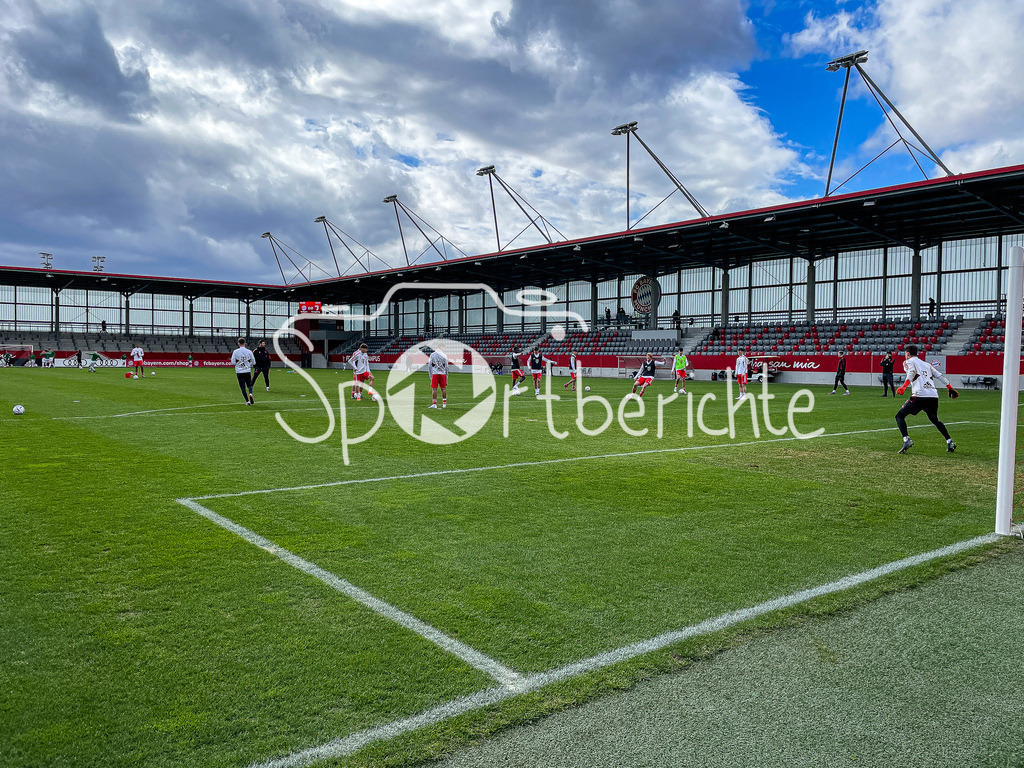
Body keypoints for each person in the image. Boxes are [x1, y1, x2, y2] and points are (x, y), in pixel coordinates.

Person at [895, 344, 958, 454]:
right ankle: (949, 441)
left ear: (908, 354)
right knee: (934, 419)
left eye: (905, 354)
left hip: (920, 395)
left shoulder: (908, 362)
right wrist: (949, 387)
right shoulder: (926, 364)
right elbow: (939, 375)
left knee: (899, 416)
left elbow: (911, 372)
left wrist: (904, 386)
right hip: (933, 396)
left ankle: (906, 440)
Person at [231, 337, 256, 405]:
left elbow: (233, 362)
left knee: (242, 387)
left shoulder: (235, 351)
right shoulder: (249, 351)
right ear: (245, 343)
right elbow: (254, 362)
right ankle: (250, 394)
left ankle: (247, 401)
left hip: (239, 371)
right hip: (247, 371)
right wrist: (249, 364)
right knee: (249, 384)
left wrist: (237, 363)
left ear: (238, 343)